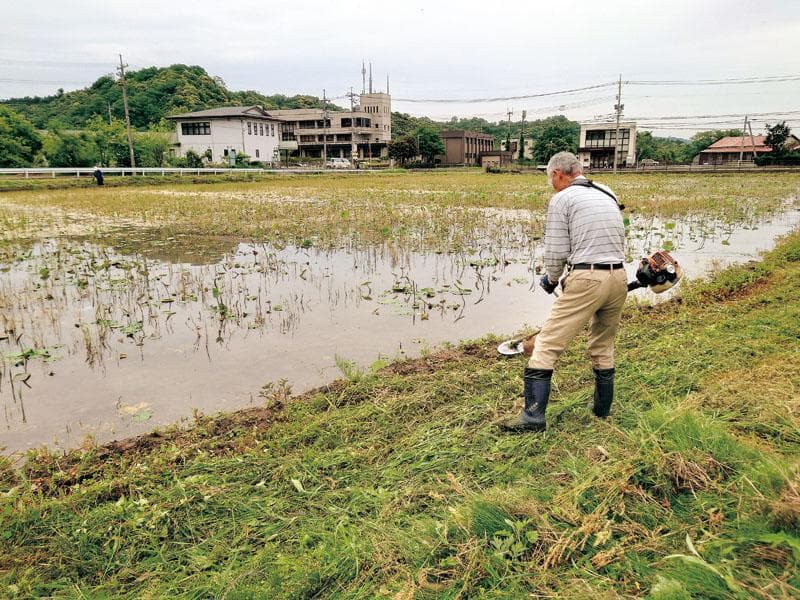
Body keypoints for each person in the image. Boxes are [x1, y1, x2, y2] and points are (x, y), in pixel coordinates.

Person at [501, 151, 627, 432]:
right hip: (618, 275)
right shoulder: (607, 191)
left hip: (587, 278)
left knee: (546, 345)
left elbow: (557, 251)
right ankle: (602, 409)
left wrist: (551, 278)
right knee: (603, 344)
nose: (551, 183)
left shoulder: (562, 199)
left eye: (550, 178)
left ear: (557, 174)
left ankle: (533, 418)